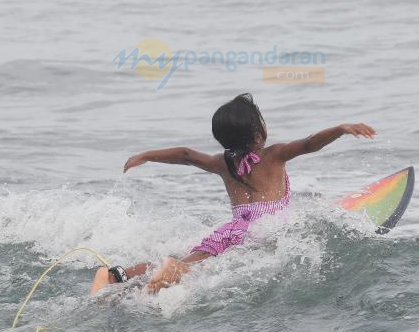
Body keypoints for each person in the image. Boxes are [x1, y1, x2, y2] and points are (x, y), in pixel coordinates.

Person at [89, 93, 376, 295]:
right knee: (193, 267)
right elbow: (311, 143)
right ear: (259, 135)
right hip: (265, 232)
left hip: (233, 229)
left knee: (198, 256)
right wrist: (340, 129)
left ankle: (116, 275)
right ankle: (172, 270)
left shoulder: (222, 163)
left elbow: (186, 155)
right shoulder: (275, 155)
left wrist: (147, 155)